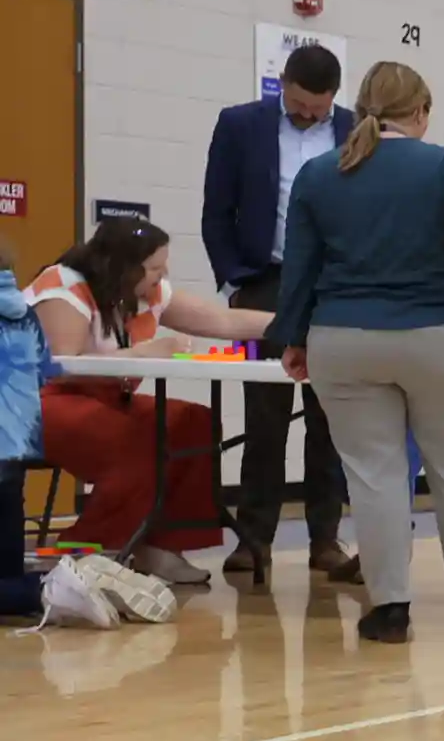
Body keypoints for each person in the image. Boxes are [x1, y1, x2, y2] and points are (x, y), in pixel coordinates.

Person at [265, 62, 444, 642]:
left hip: (342, 340)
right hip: (436, 336)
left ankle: (389, 608)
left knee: (373, 477)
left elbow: (299, 268)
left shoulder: (319, 174)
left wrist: (294, 337)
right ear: (420, 112)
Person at [29, 215, 270, 589]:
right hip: (37, 401)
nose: (164, 272)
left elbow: (224, 321)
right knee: (136, 439)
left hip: (108, 396)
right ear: (122, 267)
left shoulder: (149, 293)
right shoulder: (63, 286)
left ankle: (163, 545)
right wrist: (146, 352)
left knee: (194, 422)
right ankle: (87, 552)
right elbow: (61, 366)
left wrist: (295, 321)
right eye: (155, 266)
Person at [199, 40, 358, 586]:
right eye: (303, 103)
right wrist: (234, 284)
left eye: (322, 106)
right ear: (283, 82)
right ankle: (254, 540)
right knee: (264, 414)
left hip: (333, 285)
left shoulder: (356, 131)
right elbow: (216, 210)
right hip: (264, 281)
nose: (312, 114)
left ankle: (325, 540)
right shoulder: (240, 125)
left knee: (329, 415)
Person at [0, 261, 44, 620]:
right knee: (10, 509)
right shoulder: (22, 310)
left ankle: (38, 591)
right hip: (16, 440)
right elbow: (42, 366)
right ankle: (33, 590)